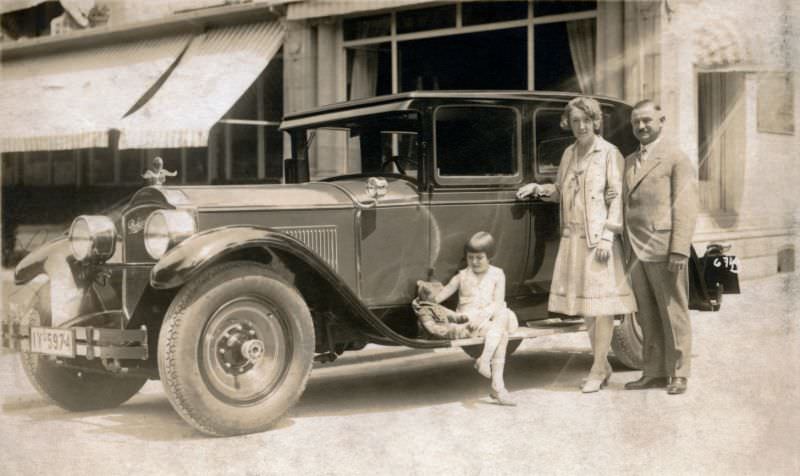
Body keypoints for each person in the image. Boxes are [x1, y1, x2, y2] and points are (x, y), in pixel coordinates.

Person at [516, 97, 637, 393]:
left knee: (602, 308)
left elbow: (616, 196)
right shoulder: (569, 153)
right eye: (575, 121)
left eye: (586, 120)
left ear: (596, 121)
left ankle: (597, 368)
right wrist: (540, 189)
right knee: (586, 306)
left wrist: (609, 235)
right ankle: (601, 364)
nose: (581, 126)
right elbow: (561, 191)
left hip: (599, 241)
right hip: (573, 239)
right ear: (568, 124)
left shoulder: (609, 153)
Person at [622, 100, 698, 395]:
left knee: (673, 310)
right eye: (635, 123)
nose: (641, 127)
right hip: (635, 248)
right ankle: (652, 372)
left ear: (661, 121)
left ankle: (679, 373)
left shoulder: (676, 158)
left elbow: (687, 206)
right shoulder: (629, 161)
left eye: (646, 121)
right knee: (647, 313)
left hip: (664, 247)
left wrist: (680, 248)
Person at [434, 231, 519, 406]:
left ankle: (484, 359)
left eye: (479, 258)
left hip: (492, 316)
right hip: (471, 321)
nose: (474, 262)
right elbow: (442, 295)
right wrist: (428, 299)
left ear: (490, 257)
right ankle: (498, 387)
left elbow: (498, 302)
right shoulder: (462, 276)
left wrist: (483, 315)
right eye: (470, 257)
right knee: (501, 334)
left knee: (502, 313)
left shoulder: (497, 274)